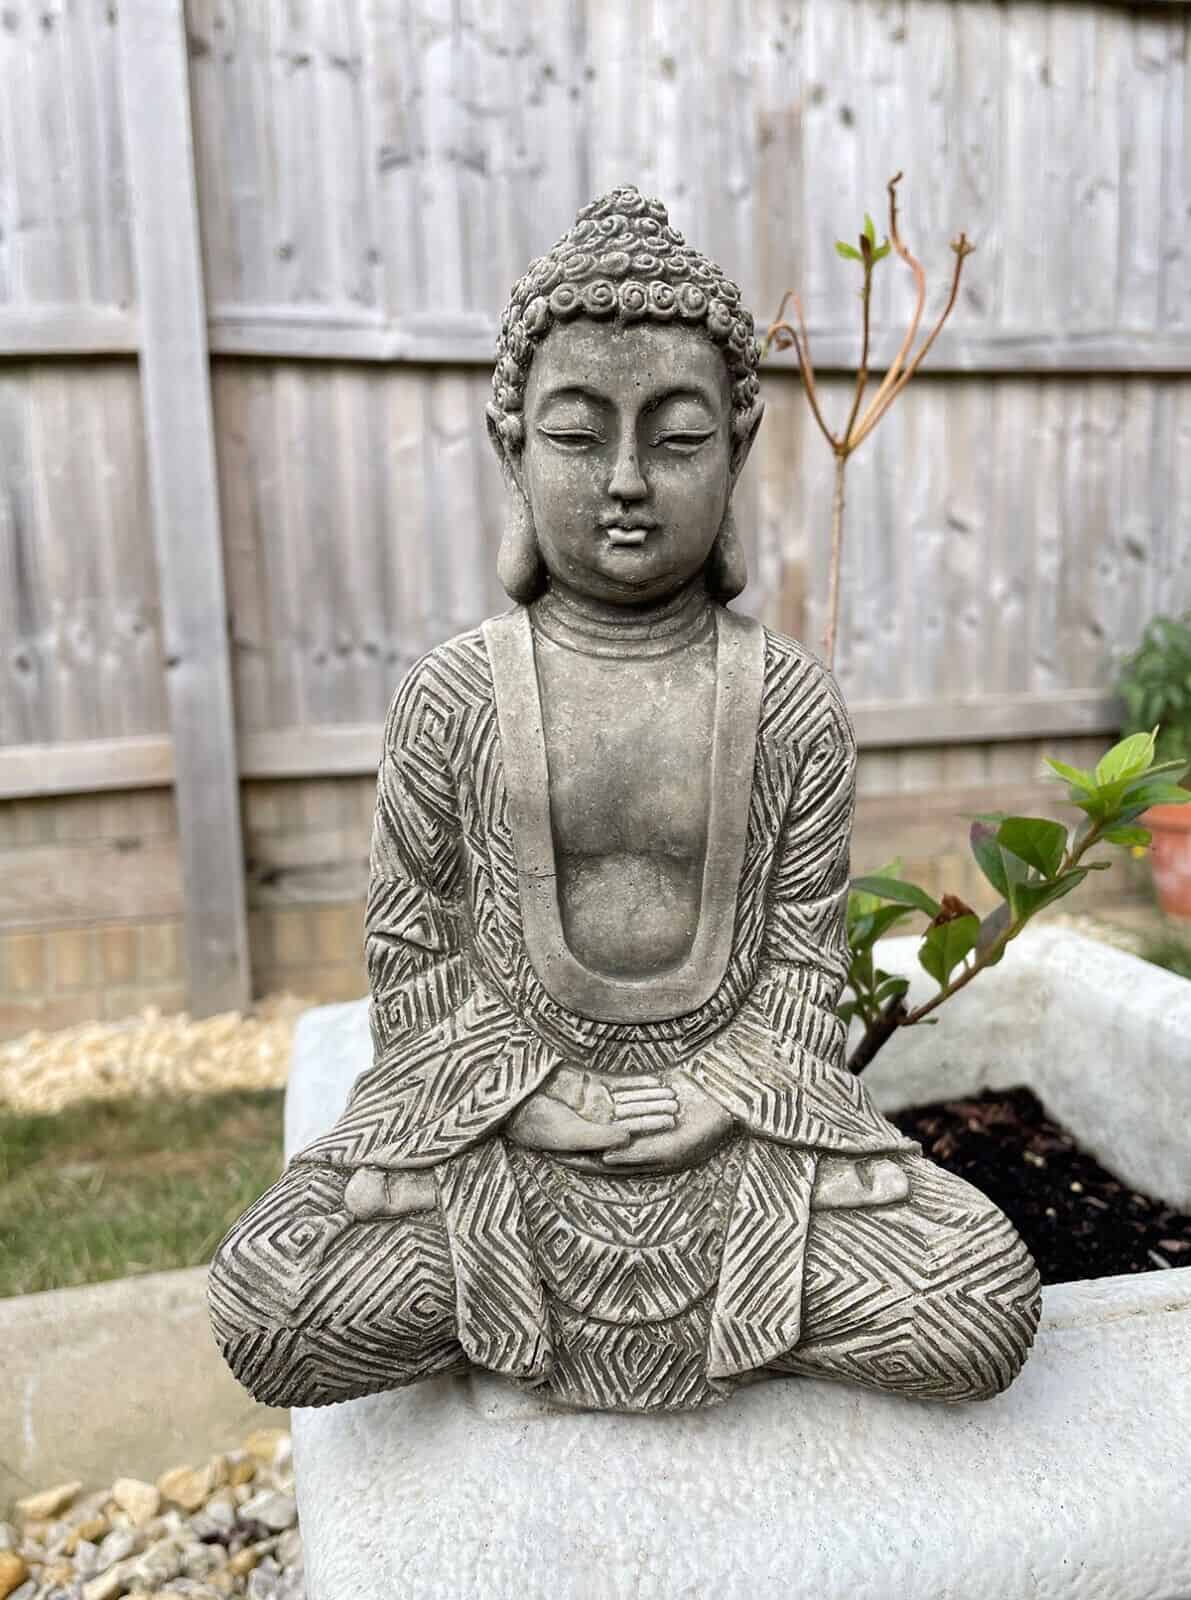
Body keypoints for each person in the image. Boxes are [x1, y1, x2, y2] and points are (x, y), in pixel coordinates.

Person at [209, 187, 1039, 1413]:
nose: (631, 482)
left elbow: (806, 969)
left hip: (741, 1137)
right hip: (501, 1132)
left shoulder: (791, 703)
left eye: (680, 437)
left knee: (978, 1303)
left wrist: (715, 1095)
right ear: (514, 449)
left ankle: (726, 1303)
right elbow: (415, 953)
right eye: (580, 435)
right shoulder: (452, 698)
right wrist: (531, 1098)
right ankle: (695, 1320)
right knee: (271, 1305)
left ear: (739, 453)